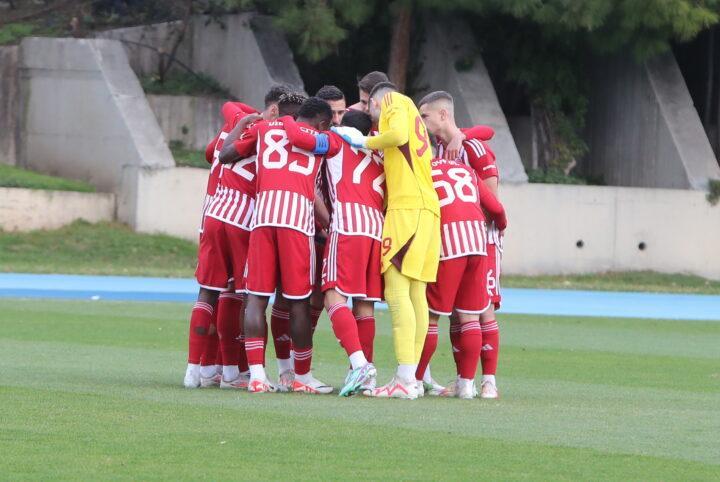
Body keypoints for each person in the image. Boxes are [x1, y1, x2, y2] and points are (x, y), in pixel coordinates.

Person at [334, 82, 440, 399]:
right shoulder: (415, 117)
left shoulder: (393, 99)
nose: (372, 116)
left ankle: (405, 379)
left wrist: (364, 140)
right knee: (417, 295)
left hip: (407, 209)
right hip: (427, 210)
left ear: (377, 101)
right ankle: (412, 378)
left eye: (370, 108)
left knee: (397, 293)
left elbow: (397, 136)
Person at [225, 96, 335, 394]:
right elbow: (309, 146)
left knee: (256, 298)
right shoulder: (325, 139)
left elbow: (224, 155)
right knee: (298, 302)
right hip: (296, 223)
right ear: (322, 122)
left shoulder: (262, 129)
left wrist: (247, 124)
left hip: (262, 219)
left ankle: (257, 376)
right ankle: (301, 376)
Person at [282, 109, 384, 396]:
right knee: (364, 305)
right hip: (376, 228)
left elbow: (301, 138)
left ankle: (359, 364)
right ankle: (365, 376)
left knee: (332, 296)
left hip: (348, 225)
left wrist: (286, 118)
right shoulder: (379, 151)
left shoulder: (336, 141)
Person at [183, 93, 276, 389]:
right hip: (243, 220)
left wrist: (241, 120)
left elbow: (211, 152)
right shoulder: (271, 134)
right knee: (242, 296)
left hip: (212, 214)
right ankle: (234, 371)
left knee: (210, 293)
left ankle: (199, 370)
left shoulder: (233, 129)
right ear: (275, 111)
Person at [418, 90, 503, 398]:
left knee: (484, 310)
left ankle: (489, 381)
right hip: (458, 241)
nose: (421, 122)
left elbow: (491, 198)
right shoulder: (440, 149)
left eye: (425, 116)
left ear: (443, 115)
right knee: (460, 312)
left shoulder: (473, 147)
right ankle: (463, 380)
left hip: (482, 239)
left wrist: (463, 136)